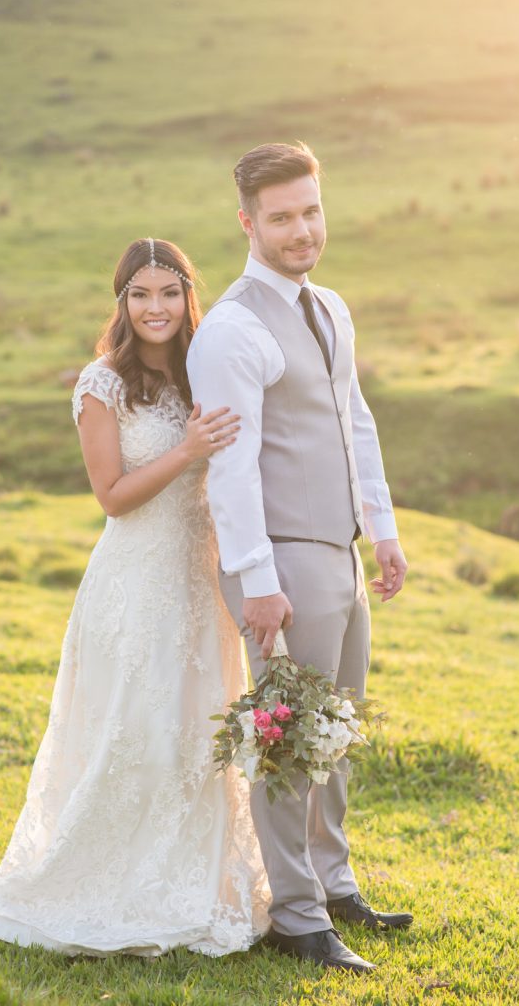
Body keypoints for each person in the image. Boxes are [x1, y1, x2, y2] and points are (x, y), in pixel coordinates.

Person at [0, 238, 270, 957]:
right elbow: (112, 497)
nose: (156, 308)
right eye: (141, 295)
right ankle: (108, 880)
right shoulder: (102, 384)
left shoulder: (206, 373)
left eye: (169, 293)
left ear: (189, 297)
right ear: (123, 303)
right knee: (136, 731)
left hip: (204, 582)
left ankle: (201, 880)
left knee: (201, 733)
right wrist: (186, 451)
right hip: (135, 585)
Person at [187, 143, 412, 974]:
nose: (301, 230)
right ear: (247, 223)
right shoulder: (233, 328)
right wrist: (258, 580)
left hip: (340, 552)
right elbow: (232, 467)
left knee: (335, 731)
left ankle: (332, 882)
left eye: (310, 211)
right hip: (281, 558)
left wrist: (381, 527)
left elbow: (354, 417)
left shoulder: (332, 308)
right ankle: (295, 916)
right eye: (281, 217)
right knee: (288, 742)